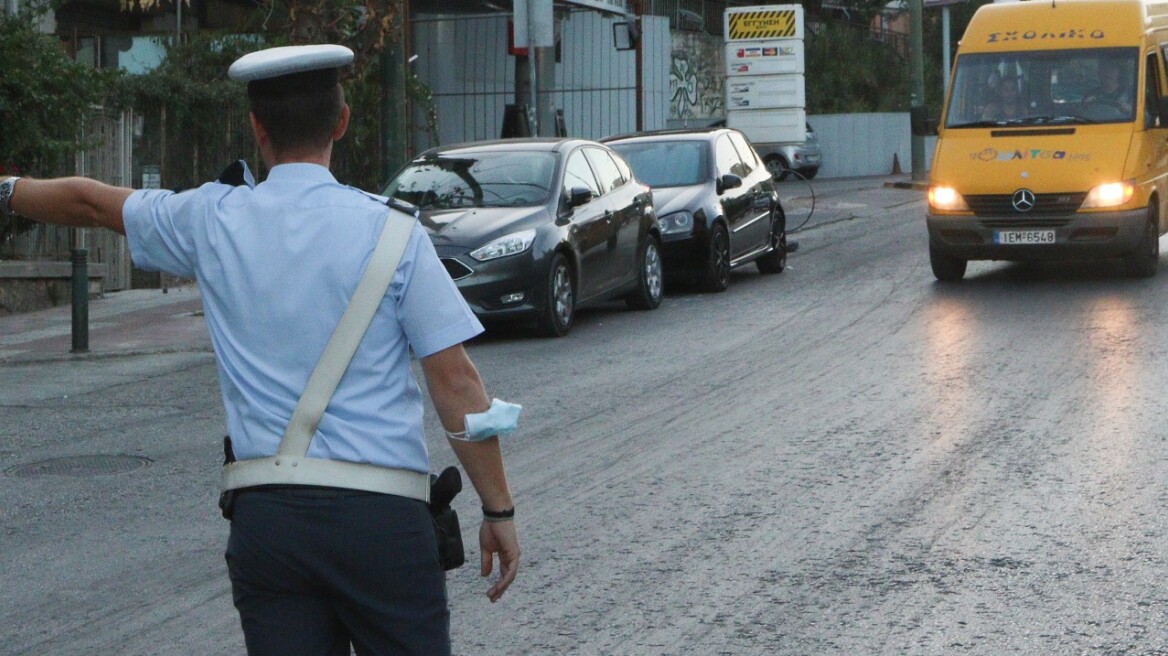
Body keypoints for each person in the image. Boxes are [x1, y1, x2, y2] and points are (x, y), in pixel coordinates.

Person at [0, 44, 520, 655]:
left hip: (269, 519)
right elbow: (455, 381)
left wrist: (6, 189)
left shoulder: (210, 218)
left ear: (256, 127)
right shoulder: (396, 232)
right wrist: (499, 510)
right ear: (342, 120)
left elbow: (90, 201)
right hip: (382, 523)